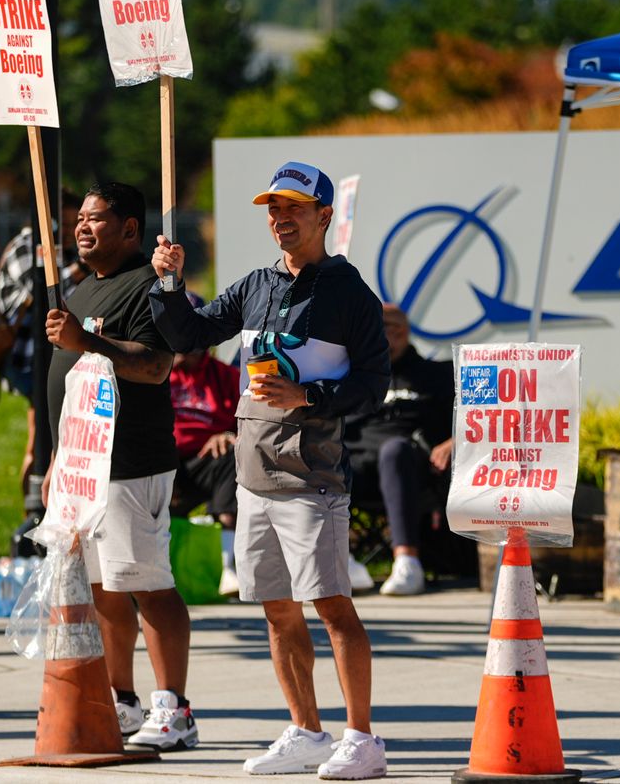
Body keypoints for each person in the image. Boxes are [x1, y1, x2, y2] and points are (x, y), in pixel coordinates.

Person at [150, 160, 392, 780]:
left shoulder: (349, 293)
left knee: (332, 605)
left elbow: (374, 384)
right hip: (253, 476)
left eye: (293, 208)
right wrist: (170, 285)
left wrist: (308, 397)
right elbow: (192, 334)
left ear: (323, 217)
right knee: (277, 610)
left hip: (312, 476)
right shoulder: (256, 284)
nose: (281, 219)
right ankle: (305, 730)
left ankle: (362, 740)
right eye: (273, 209)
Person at [42, 182, 199, 750]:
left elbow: (156, 366)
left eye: (96, 218)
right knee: (105, 589)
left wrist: (87, 342)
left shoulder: (147, 289)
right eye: (79, 218)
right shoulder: (81, 290)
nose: (82, 227)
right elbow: (68, 388)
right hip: (84, 467)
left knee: (147, 584)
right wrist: (57, 462)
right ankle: (123, 702)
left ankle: (173, 708)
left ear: (130, 228)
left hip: (132, 462)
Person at [343, 303, 455, 596]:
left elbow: (474, 419)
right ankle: (339, 560)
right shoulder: (354, 376)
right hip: (358, 463)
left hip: (412, 464)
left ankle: (407, 562)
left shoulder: (436, 375)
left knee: (394, 450)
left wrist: (455, 442)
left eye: (387, 330)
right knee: (327, 457)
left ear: (402, 332)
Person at [0, 197, 84, 518]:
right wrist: (77, 271)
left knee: (54, 435)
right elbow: (40, 290)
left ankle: (42, 508)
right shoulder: (28, 245)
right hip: (29, 361)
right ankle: (34, 510)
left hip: (53, 356)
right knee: (39, 438)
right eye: (74, 219)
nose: (79, 227)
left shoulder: (63, 248)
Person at [165, 295, 241, 597]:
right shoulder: (154, 370)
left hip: (205, 460)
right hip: (163, 460)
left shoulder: (226, 376)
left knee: (234, 454)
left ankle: (227, 567)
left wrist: (228, 433)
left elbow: (247, 420)